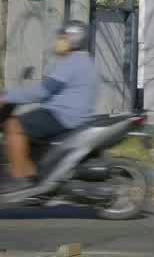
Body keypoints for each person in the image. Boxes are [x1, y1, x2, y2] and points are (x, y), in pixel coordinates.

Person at [0, 22, 98, 191]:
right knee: (28, 125)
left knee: (13, 125)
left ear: (73, 39)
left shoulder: (71, 62)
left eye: (62, 37)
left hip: (62, 116)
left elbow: (42, 92)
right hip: (70, 115)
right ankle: (33, 181)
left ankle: (18, 179)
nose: (59, 41)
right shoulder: (85, 61)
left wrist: (6, 96)